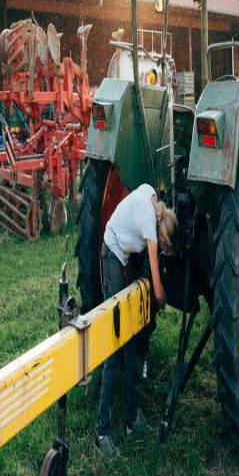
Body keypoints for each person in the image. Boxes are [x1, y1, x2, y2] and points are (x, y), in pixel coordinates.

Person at [96, 184, 178, 458]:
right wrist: (163, 300)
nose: (162, 248)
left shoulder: (152, 197)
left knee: (130, 339)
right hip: (112, 254)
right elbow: (157, 288)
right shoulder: (150, 230)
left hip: (122, 257)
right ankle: (101, 431)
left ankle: (132, 419)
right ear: (161, 237)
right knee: (116, 344)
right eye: (164, 245)